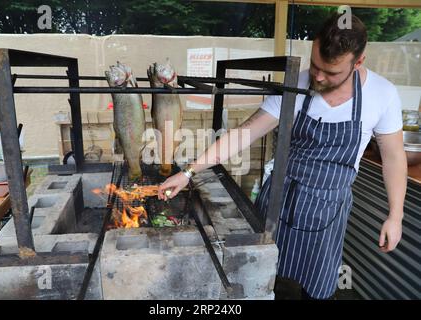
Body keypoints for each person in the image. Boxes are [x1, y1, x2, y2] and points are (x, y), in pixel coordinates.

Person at [158, 13, 406, 300]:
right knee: (261, 278)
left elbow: (394, 158)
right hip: (280, 200)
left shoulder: (383, 94)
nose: (319, 76)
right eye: (315, 65)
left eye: (332, 72)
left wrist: (395, 216)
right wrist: (188, 172)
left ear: (359, 61)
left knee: (318, 287)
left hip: (326, 210)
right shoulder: (295, 85)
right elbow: (244, 133)